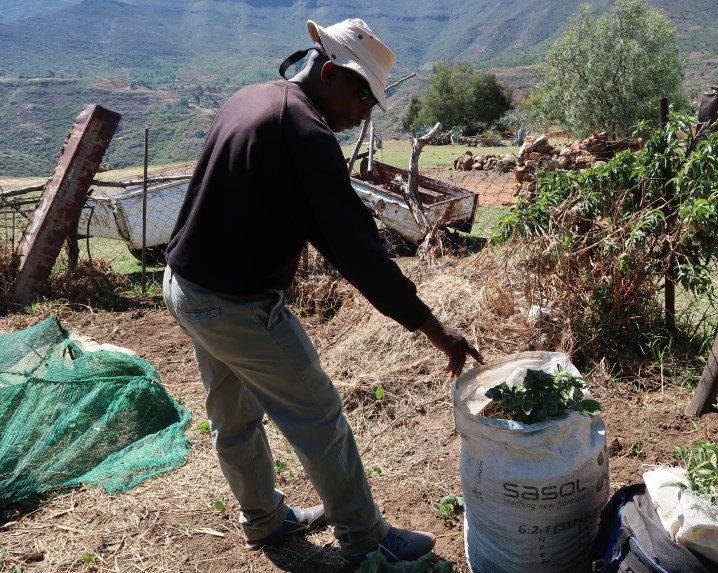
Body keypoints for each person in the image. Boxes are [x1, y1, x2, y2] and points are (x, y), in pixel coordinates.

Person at [161, 17, 485, 564]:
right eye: (363, 96)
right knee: (319, 415)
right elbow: (357, 250)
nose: (364, 112)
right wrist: (436, 329)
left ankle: (264, 520)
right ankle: (365, 538)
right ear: (330, 72)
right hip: (236, 304)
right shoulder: (303, 132)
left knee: (233, 416)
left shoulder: (254, 98)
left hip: (188, 287)